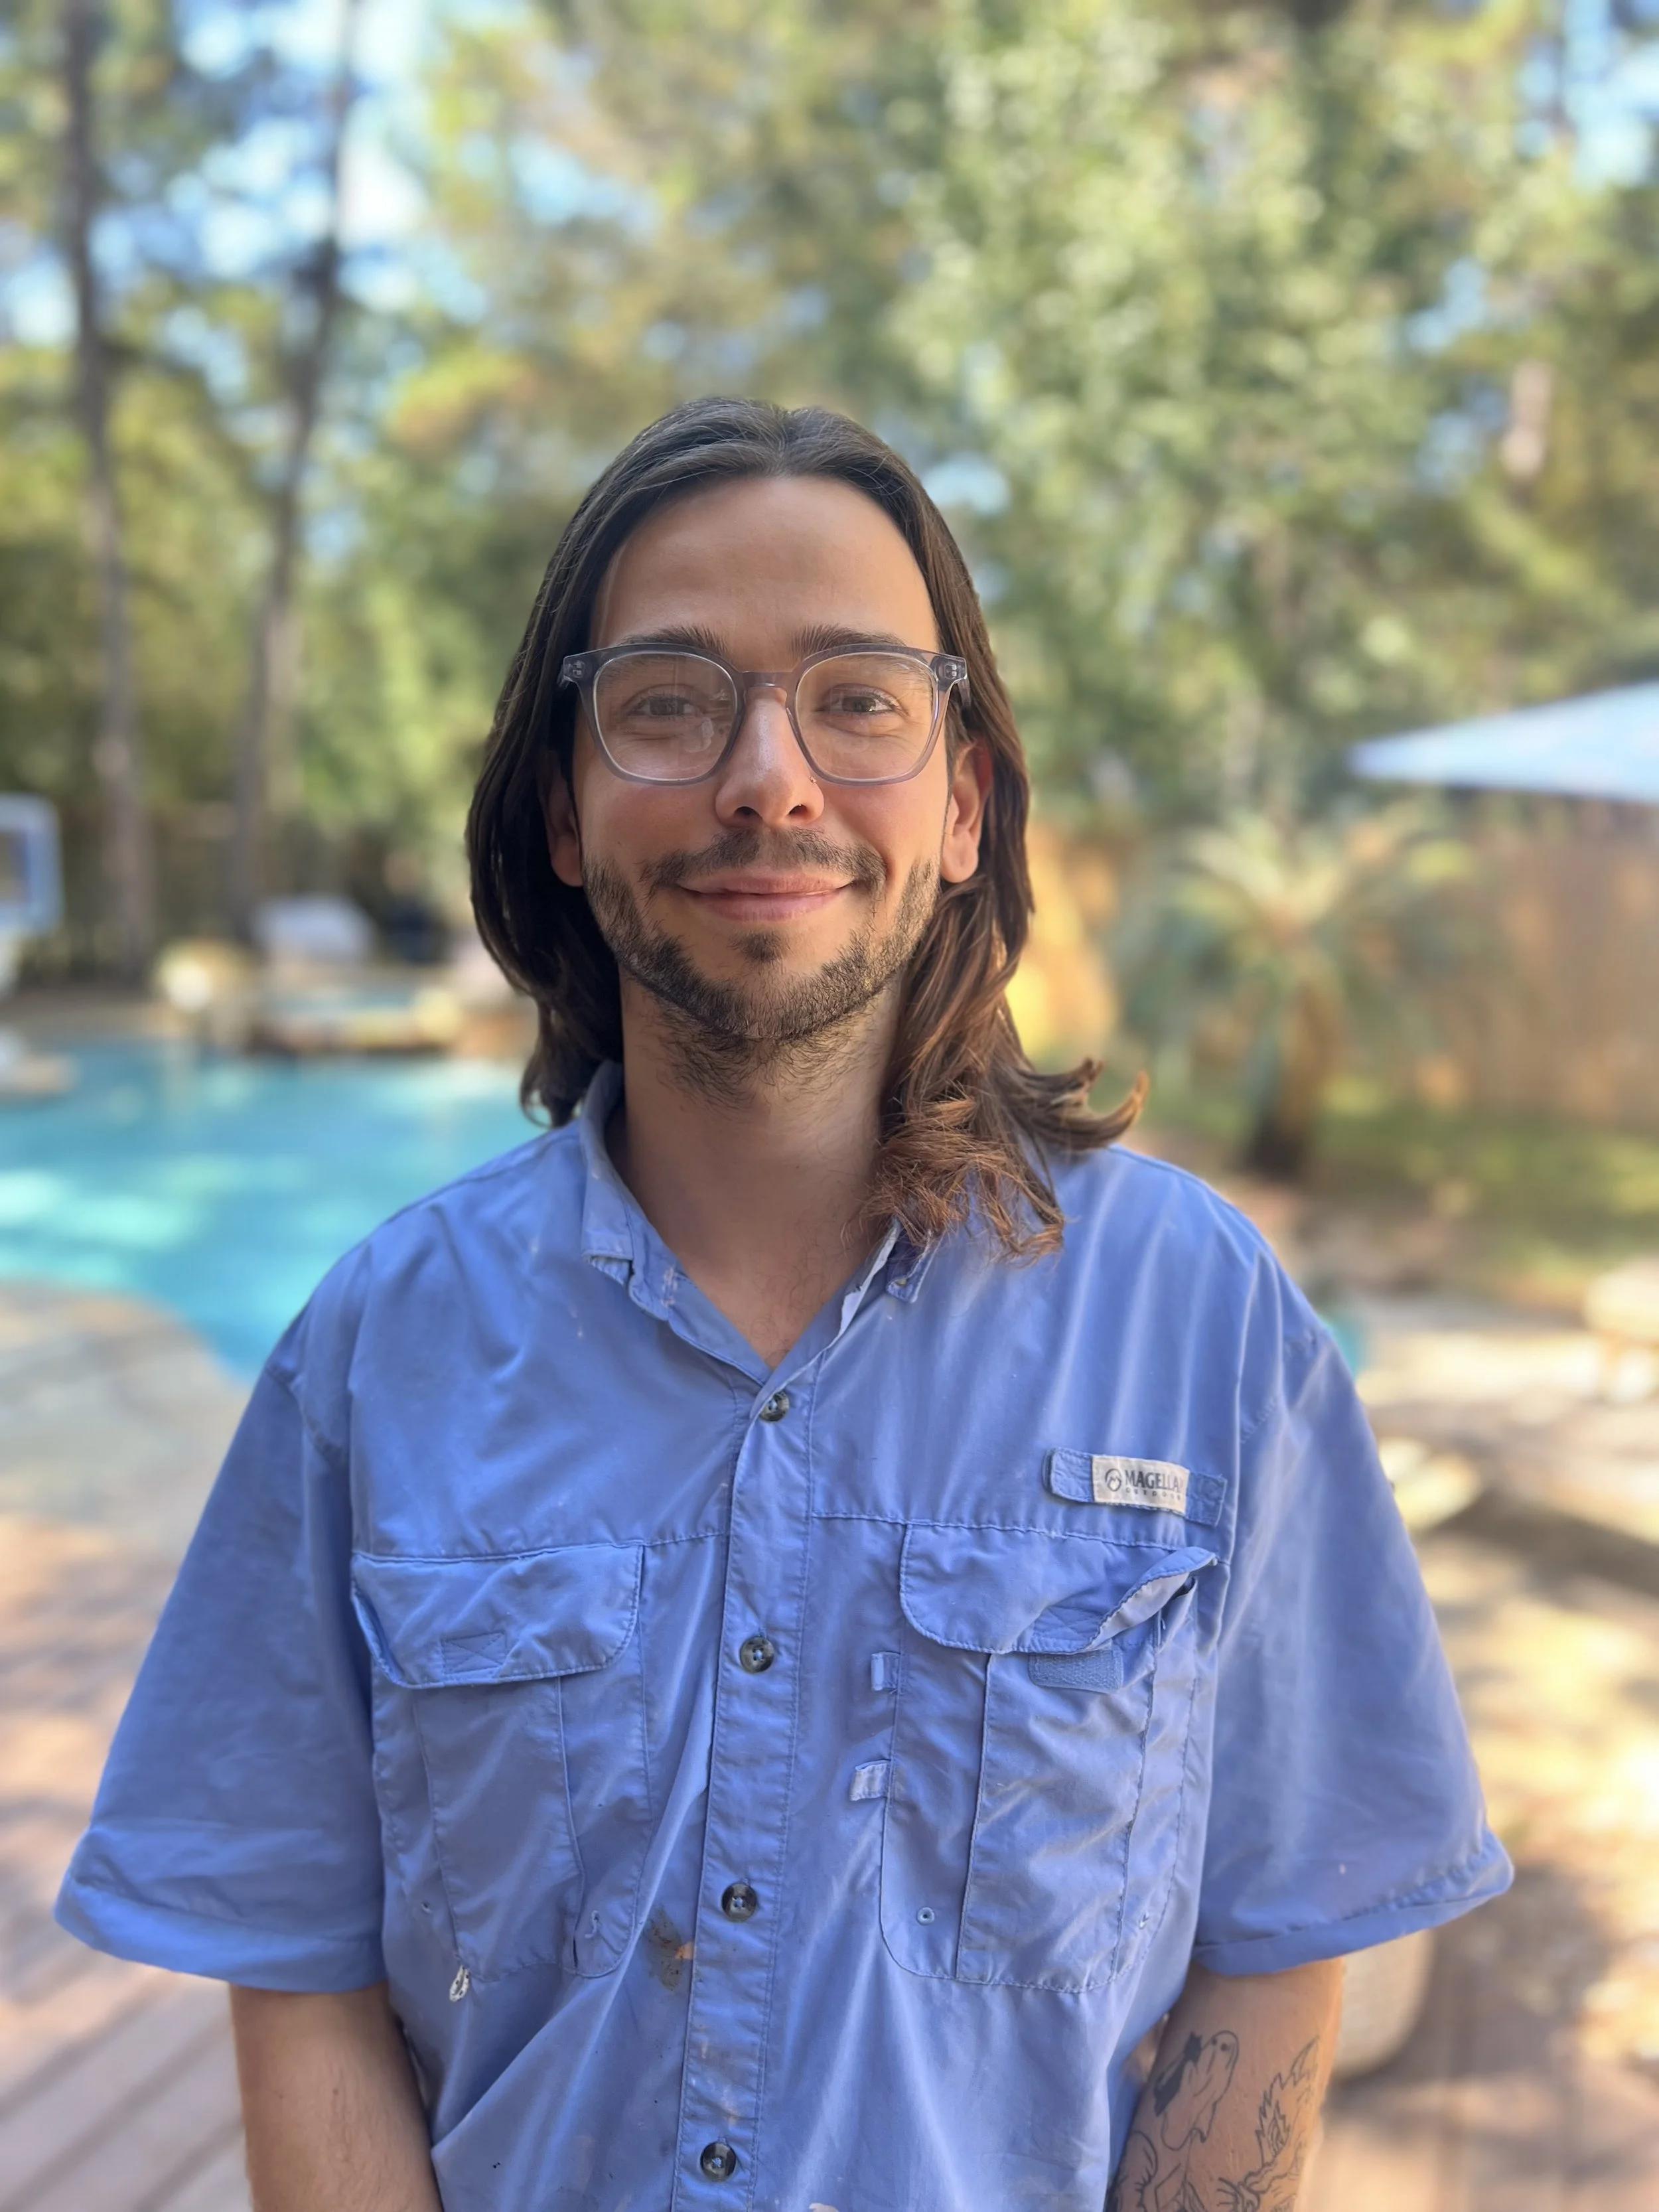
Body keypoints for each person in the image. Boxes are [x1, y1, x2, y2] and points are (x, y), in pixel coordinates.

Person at [58, 398, 1510, 2212]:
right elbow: (299, 1964)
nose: (768, 775)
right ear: (567, 812)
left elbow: (1284, 1928)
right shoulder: (382, 1348)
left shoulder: (1199, 1322)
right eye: (669, 698)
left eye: (858, 697)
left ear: (964, 801)